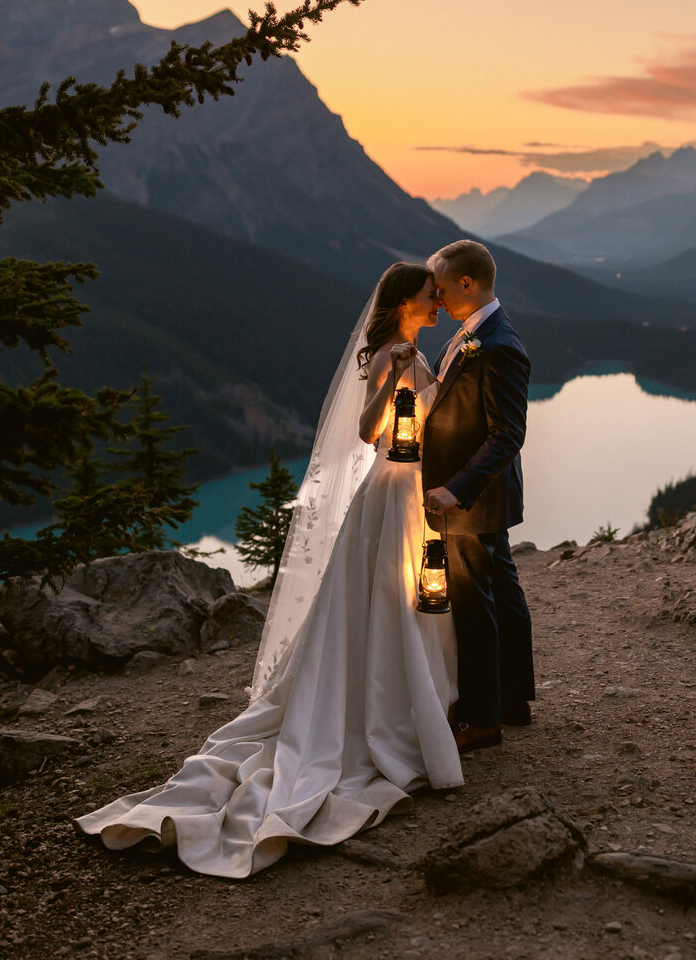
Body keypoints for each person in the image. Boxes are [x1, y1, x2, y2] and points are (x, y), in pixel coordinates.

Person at [74, 262, 460, 879]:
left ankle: (413, 696)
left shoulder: (415, 349)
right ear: (405, 302)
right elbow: (366, 431)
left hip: (412, 487)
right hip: (388, 486)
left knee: (406, 592)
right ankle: (387, 706)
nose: (437, 302)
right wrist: (399, 386)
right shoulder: (392, 353)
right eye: (429, 296)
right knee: (384, 594)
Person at [421, 240, 535, 753]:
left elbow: (507, 434)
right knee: (505, 596)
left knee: (475, 607)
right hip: (485, 499)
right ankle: (512, 700)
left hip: (472, 500)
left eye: (442, 288)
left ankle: (482, 721)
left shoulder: (499, 345)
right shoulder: (472, 335)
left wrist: (456, 490)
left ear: (468, 283)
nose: (437, 298)